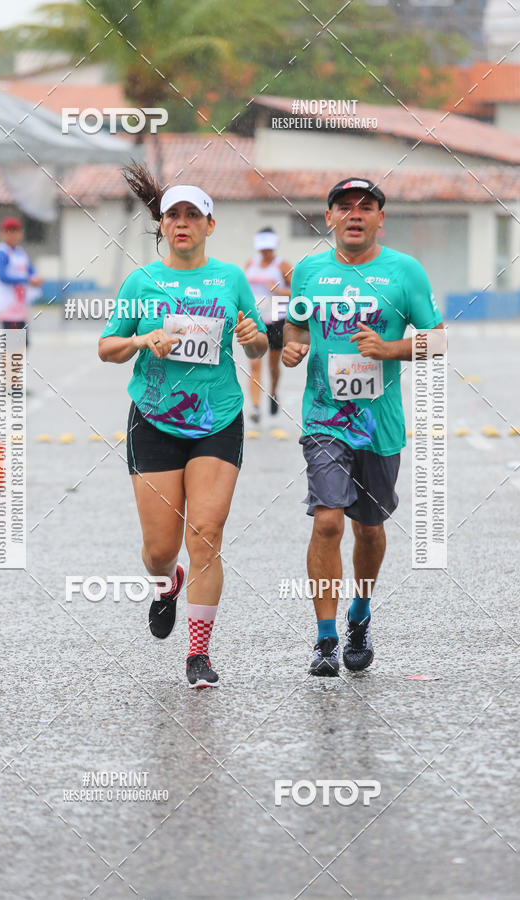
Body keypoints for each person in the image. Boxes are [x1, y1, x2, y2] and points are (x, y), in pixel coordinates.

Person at [98, 164, 268, 688]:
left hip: (218, 418)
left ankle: (199, 655)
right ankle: (165, 581)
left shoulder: (231, 279)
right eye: (174, 214)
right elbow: (107, 348)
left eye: (194, 214)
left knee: (206, 534)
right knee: (160, 548)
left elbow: (260, 343)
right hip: (154, 420)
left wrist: (251, 337)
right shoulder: (141, 281)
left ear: (209, 226)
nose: (183, 223)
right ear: (163, 225)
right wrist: (141, 341)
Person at [282, 177, 445, 676]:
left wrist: (391, 349)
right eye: (344, 206)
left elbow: (437, 342)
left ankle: (359, 614)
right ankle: (326, 640)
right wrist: (293, 345)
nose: (355, 214)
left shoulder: (405, 272)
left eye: (366, 207)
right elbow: (294, 323)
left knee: (369, 530)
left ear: (380, 219)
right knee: (328, 519)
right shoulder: (309, 271)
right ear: (328, 217)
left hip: (381, 424)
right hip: (324, 418)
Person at [244, 228, 292, 422]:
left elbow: (300, 290)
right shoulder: (250, 264)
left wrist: (279, 291)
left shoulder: (283, 266)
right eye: (262, 249)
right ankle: (255, 407)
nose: (266, 252)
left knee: (273, 366)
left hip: (277, 319)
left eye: (269, 249)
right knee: (254, 363)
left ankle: (273, 392)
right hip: (256, 319)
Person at [0, 216, 44, 343]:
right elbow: (3, 277)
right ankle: (6, 363)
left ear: (21, 233)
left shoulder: (20, 252)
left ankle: (14, 363)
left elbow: (30, 270)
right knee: (11, 345)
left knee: (22, 344)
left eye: (15, 231)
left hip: (20, 306)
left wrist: (36, 277)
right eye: (8, 232)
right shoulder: (1, 252)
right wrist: (28, 280)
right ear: (2, 234)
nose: (12, 235)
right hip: (8, 306)